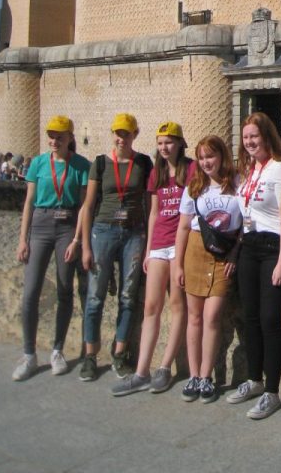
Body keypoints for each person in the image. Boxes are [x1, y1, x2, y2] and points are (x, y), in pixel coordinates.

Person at [112, 121, 193, 396]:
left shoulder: (191, 169)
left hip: (181, 245)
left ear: (180, 143)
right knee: (150, 307)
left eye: (169, 142)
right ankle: (141, 372)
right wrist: (148, 250)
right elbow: (154, 213)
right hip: (159, 244)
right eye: (160, 143)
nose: (164, 147)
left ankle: (165, 367)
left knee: (177, 305)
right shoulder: (156, 173)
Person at [12, 115, 90, 381]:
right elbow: (29, 202)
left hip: (67, 227)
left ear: (70, 138)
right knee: (31, 292)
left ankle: (57, 350)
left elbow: (84, 206)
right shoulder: (38, 163)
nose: (54, 141)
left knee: (65, 289)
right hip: (41, 226)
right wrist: (23, 239)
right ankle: (29, 355)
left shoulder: (81, 166)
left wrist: (77, 240)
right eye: (51, 136)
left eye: (59, 137)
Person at [79, 113, 153, 382]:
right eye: (118, 133)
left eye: (126, 134)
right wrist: (85, 246)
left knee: (128, 296)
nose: (121, 138)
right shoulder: (100, 164)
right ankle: (90, 356)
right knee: (95, 297)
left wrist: (149, 241)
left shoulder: (143, 163)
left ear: (135, 134)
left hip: (133, 233)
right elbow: (88, 206)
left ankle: (119, 353)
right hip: (103, 232)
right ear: (113, 134)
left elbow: (150, 205)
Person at [227, 112, 281, 419]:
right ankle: (254, 380)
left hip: (272, 248)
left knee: (270, 320)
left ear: (267, 136)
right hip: (249, 247)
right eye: (246, 137)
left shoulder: (280, 169)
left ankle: (272, 392)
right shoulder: (248, 171)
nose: (250, 142)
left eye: (255, 136)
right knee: (250, 317)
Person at [174, 134, 241, 403]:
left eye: (210, 156)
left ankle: (206, 376)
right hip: (195, 250)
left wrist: (235, 253)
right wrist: (178, 264)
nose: (206, 162)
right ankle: (194, 375)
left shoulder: (237, 183)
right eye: (201, 158)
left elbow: (246, 222)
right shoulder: (195, 187)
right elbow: (183, 227)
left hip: (224, 254)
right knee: (195, 317)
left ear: (222, 155)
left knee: (212, 317)